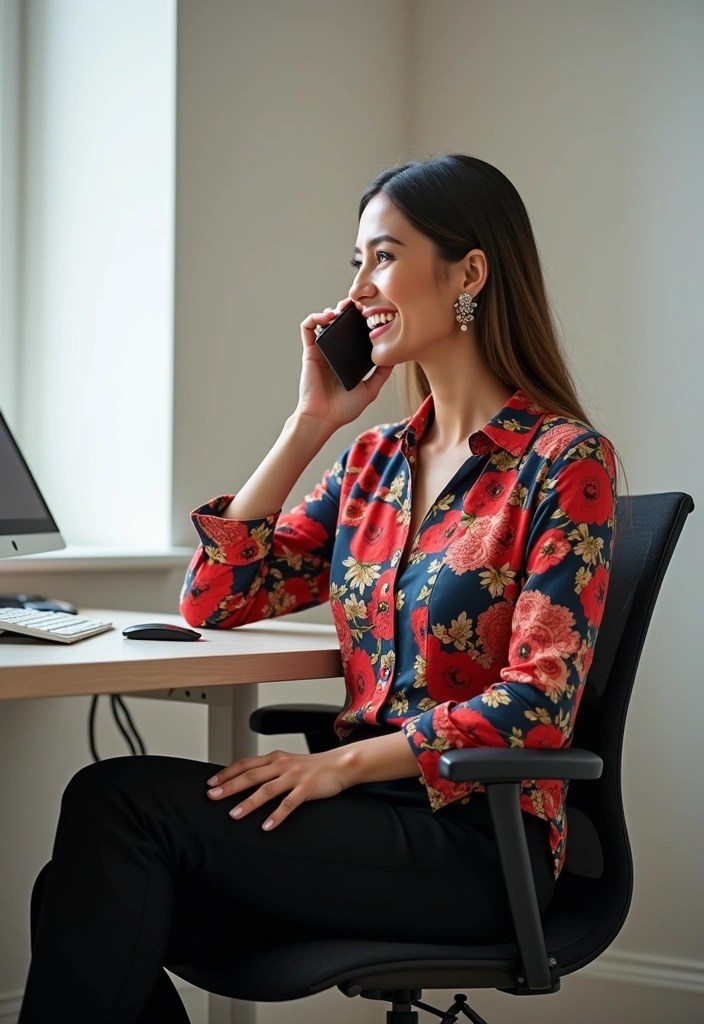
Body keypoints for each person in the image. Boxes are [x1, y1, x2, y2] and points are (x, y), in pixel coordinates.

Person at [20, 154, 617, 1024]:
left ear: (469, 274)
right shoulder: (374, 463)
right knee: (79, 892)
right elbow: (215, 597)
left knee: (113, 806)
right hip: (363, 820)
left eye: (384, 257)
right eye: (356, 262)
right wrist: (309, 424)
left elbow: (539, 703)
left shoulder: (563, 462)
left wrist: (339, 765)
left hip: (474, 840)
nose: (358, 289)